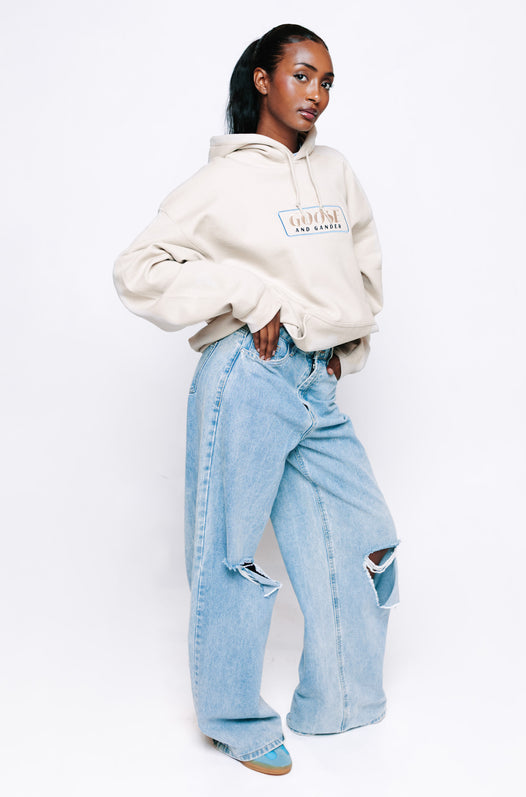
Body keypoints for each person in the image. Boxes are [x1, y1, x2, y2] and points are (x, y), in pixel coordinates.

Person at [113, 23, 400, 777]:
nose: (317, 93)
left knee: (365, 542)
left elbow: (362, 266)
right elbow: (137, 268)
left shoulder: (335, 171)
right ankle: (233, 719)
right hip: (249, 373)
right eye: (302, 75)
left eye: (326, 81)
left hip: (316, 384)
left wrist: (344, 341)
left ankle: (340, 702)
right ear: (264, 81)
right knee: (228, 552)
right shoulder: (222, 182)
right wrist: (245, 294)